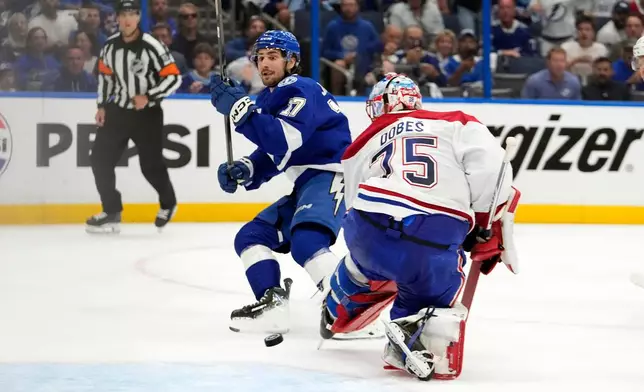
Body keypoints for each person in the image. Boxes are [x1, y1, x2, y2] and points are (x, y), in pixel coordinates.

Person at [317, 73, 521, 380]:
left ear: (376, 107)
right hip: (430, 235)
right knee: (435, 278)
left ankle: (338, 304)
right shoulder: (456, 121)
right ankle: (416, 334)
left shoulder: (360, 144)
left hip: (367, 226)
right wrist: (483, 226)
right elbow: (493, 173)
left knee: (366, 264)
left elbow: (350, 207)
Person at [209, 30, 378, 338]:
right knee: (251, 236)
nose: (264, 64)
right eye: (260, 58)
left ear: (292, 61)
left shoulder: (300, 88)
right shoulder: (271, 97)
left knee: (307, 243)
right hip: (307, 182)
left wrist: (240, 112)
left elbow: (284, 138)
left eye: (273, 57)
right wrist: (247, 168)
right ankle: (271, 305)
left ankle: (355, 312)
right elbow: (276, 150)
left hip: (330, 176)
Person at [86, 0, 181, 234]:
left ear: (138, 17)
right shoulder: (109, 47)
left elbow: (173, 77)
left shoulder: (152, 45)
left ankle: (168, 202)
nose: (128, 19)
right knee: (100, 160)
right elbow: (105, 79)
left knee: (150, 166)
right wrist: (102, 106)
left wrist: (149, 96)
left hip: (147, 114)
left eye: (132, 13)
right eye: (123, 14)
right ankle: (111, 210)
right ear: (117, 18)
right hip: (117, 112)